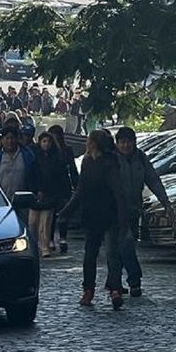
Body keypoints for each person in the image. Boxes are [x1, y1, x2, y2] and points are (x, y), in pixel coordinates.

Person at [59, 130, 129, 309]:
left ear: (94, 144)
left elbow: (118, 192)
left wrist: (122, 218)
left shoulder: (110, 163)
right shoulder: (87, 162)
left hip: (109, 214)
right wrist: (66, 212)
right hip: (92, 214)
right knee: (90, 255)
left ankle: (115, 289)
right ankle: (88, 289)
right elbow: (81, 190)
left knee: (112, 254)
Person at [114, 126, 174, 297]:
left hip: (134, 210)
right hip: (116, 211)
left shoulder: (140, 158)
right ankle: (134, 280)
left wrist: (166, 203)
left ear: (134, 143)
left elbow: (153, 180)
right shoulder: (112, 160)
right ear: (117, 144)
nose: (126, 146)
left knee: (124, 246)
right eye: (122, 142)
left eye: (129, 142)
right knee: (125, 244)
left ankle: (115, 282)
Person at [28, 131, 69, 257]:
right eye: (44, 141)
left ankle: (44, 246)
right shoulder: (34, 157)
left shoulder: (56, 158)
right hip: (35, 195)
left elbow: (60, 177)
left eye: (49, 141)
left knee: (46, 223)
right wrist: (36, 190)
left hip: (51, 194)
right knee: (33, 223)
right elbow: (31, 176)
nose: (46, 144)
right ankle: (33, 245)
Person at [47, 125, 79, 253]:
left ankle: (63, 238)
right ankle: (50, 238)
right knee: (51, 214)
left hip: (64, 185)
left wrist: (76, 184)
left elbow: (72, 168)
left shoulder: (67, 150)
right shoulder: (48, 150)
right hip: (51, 186)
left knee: (63, 212)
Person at [0, 125, 37, 203]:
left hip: (23, 202)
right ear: (2, 140)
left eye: (12, 138)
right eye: (7, 138)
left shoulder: (27, 156)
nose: (10, 141)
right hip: (2, 201)